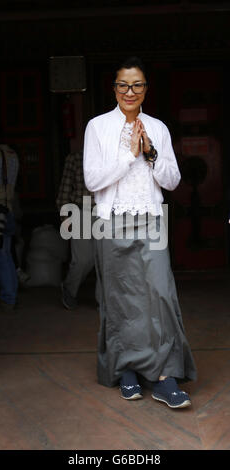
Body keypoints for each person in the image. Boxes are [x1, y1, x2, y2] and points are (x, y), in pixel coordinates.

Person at [83, 56, 197, 409]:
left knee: (160, 295)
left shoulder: (158, 127)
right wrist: (126, 156)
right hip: (111, 220)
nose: (129, 91)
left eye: (137, 85)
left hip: (150, 220)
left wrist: (150, 154)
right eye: (123, 85)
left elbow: (173, 180)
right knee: (119, 299)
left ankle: (165, 377)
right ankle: (127, 370)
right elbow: (92, 181)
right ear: (114, 88)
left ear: (146, 88)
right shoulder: (97, 127)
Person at [56, 150, 95, 310]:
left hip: (107, 212)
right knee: (82, 260)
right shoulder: (75, 157)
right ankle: (69, 289)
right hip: (82, 211)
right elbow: (65, 189)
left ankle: (103, 300)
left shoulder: (110, 155)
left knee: (104, 260)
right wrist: (64, 216)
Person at [0, 143, 19, 313]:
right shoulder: (11, 154)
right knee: (6, 254)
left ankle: (8, 297)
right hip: (8, 208)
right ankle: (11, 295)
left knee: (2, 256)